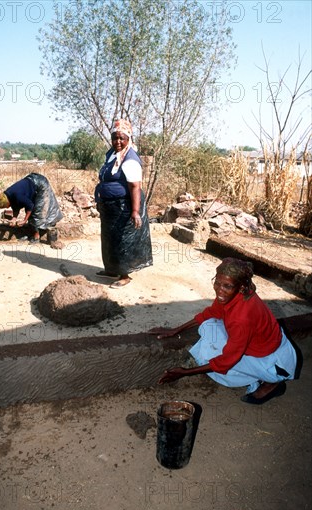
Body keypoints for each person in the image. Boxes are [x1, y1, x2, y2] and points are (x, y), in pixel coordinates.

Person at [150, 257, 297, 405]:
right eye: (217, 283)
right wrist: (175, 330)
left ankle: (271, 381)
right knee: (209, 326)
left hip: (273, 362)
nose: (219, 290)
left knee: (208, 356)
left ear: (240, 288)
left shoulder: (241, 318)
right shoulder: (238, 292)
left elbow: (226, 361)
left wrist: (184, 373)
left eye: (227, 286)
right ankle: (257, 374)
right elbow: (211, 312)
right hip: (262, 345)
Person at [94, 119, 153, 288]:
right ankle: (111, 269)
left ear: (128, 138)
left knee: (122, 240)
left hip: (124, 206)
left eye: (122, 138)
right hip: (110, 206)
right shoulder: (112, 154)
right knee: (108, 239)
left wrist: (134, 211)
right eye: (115, 138)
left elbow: (135, 186)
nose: (118, 142)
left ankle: (124, 274)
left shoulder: (131, 159)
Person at [0, 173, 63, 242]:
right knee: (30, 212)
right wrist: (14, 219)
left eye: (5, 206)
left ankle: (37, 235)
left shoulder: (17, 196)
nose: (7, 208)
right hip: (32, 182)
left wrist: (24, 220)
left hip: (40, 184)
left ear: (6, 202)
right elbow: (15, 206)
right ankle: (32, 233)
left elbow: (30, 206)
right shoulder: (8, 194)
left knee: (37, 211)